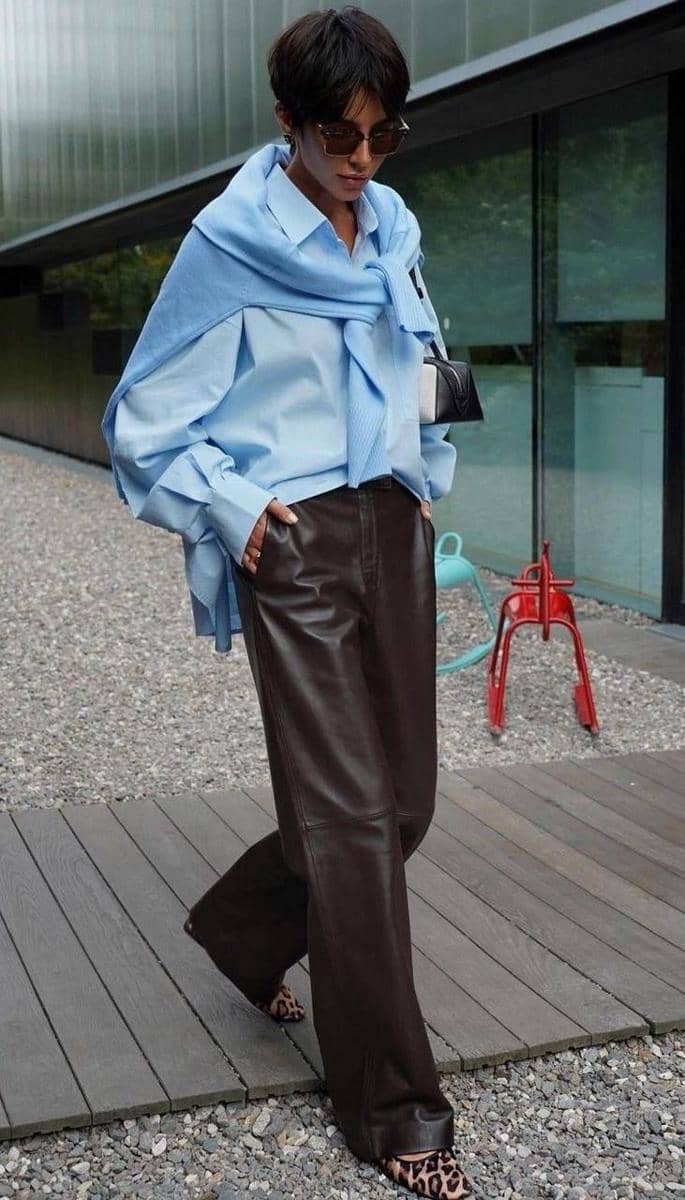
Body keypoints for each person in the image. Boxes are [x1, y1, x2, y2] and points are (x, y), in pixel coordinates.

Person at [101, 7, 473, 1198]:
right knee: (352, 819)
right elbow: (142, 421)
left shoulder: (392, 228)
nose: (361, 157)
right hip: (296, 538)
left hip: (392, 525)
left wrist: (424, 474)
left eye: (381, 134)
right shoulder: (230, 245)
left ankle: (241, 931)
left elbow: (420, 358)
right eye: (338, 135)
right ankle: (395, 1111)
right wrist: (232, 505)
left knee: (402, 804)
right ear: (288, 124)